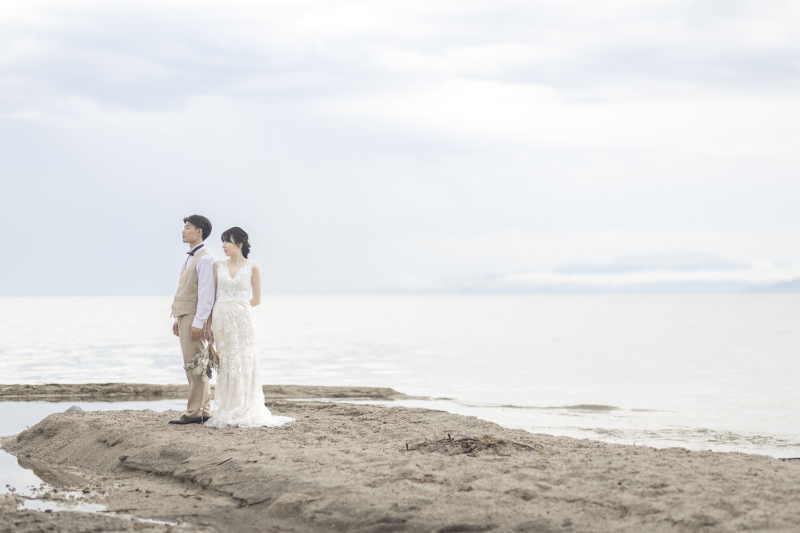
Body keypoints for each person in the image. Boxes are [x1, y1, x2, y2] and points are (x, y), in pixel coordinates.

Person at [204, 227, 294, 428]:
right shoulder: (217, 266)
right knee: (226, 361)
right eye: (223, 241)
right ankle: (228, 406)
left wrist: (238, 308)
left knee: (244, 360)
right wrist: (209, 325)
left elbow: (256, 299)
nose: (223, 245)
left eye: (227, 241)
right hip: (221, 321)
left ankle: (245, 405)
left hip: (243, 321)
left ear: (240, 243)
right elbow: (211, 298)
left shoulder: (253, 267)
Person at [169, 215, 215, 425]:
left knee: (193, 364)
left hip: (194, 317)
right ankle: (204, 409)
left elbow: (206, 294)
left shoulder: (205, 258)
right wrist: (178, 317)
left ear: (199, 231)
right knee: (199, 364)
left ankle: (194, 412)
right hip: (186, 314)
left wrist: (198, 322)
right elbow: (185, 288)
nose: (183, 231)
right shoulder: (190, 256)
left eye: (187, 227)